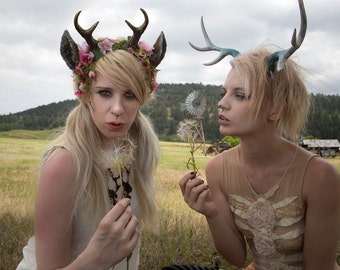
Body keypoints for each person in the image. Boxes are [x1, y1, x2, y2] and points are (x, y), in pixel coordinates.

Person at [179, 0, 340, 269]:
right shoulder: (218, 169)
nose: (222, 103)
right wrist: (211, 213)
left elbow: (318, 266)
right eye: (224, 93)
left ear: (275, 110)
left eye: (239, 95)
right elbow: (238, 258)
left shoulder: (319, 176)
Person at [17, 8, 166, 270]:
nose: (118, 109)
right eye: (105, 93)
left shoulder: (140, 151)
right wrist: (96, 257)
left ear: (143, 98)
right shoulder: (64, 163)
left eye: (129, 95)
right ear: (86, 94)